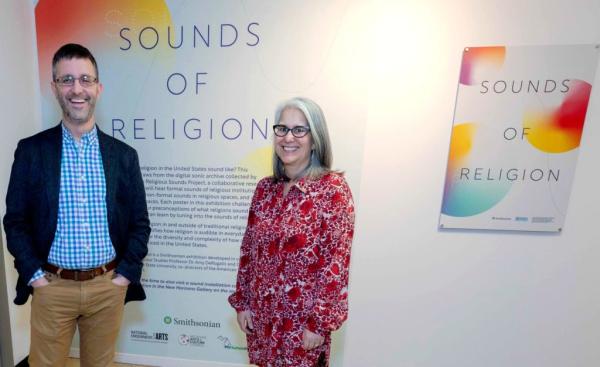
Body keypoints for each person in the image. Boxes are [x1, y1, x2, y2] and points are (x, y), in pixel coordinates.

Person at [3, 43, 150, 367]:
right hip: (52, 288)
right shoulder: (31, 152)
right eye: (66, 79)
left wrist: (125, 274)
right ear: (54, 87)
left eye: (85, 79)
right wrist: (34, 275)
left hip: (107, 287)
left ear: (98, 87)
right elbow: (15, 221)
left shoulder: (123, 156)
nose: (77, 89)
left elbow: (140, 223)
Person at [229, 97, 355, 367]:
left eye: (300, 130)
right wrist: (243, 303)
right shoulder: (265, 190)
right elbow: (249, 251)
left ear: (315, 138)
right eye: (282, 129)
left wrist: (319, 323)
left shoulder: (332, 190)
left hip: (303, 326)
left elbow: (336, 264)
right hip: (263, 318)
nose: (289, 137)